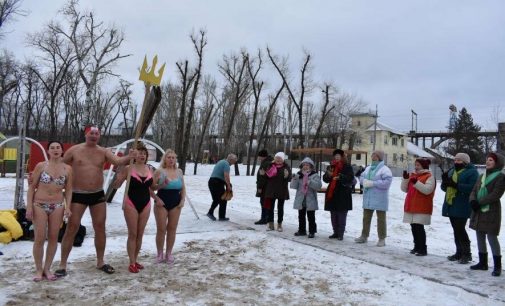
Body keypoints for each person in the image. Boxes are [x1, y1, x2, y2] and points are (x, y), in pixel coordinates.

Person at [55, 126, 134, 277]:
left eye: (97, 133)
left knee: (100, 227)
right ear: (86, 134)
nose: (94, 135)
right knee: (72, 228)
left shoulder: (103, 151)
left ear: (99, 136)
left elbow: (118, 160)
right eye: (91, 133)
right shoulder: (75, 150)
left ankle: (100, 261)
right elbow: (59, 166)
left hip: (97, 194)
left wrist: (130, 156)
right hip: (78, 194)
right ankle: (62, 264)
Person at [26, 141, 72, 281]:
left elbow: (69, 190)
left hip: (57, 206)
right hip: (39, 204)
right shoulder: (41, 166)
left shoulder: (67, 168)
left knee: (53, 238)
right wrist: (29, 207)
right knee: (39, 238)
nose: (55, 150)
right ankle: (39, 269)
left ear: (62, 151)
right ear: (48, 151)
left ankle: (47, 268)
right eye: (52, 148)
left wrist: (68, 207)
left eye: (58, 147)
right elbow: (32, 187)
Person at [114, 143, 153, 273]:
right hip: (131, 203)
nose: (141, 155)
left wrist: (162, 185)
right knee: (133, 233)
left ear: (146, 156)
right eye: (139, 153)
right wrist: (118, 176)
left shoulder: (150, 169)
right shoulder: (128, 168)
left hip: (146, 203)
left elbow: (152, 188)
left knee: (140, 234)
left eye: (144, 153)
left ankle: (135, 260)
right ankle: (131, 262)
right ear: (134, 155)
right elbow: (116, 186)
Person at [468, 152, 505, 276]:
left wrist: (479, 202)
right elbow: (474, 190)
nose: (487, 162)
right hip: (478, 210)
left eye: (490, 160)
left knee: (492, 237)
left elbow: (496, 194)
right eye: (487, 160)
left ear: (497, 163)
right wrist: (473, 200)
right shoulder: (481, 176)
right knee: (479, 235)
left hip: (491, 211)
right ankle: (482, 263)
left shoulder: (500, 177)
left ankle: (497, 266)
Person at [441, 152, 479, 264]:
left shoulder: (472, 172)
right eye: (455, 160)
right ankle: (459, 252)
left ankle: (467, 254)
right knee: (456, 229)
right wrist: (445, 182)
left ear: (465, 162)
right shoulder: (452, 171)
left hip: (463, 204)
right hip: (451, 203)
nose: (456, 162)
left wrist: (456, 185)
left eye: (459, 160)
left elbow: (472, 188)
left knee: (460, 229)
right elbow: (445, 188)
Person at [152, 149, 185, 265]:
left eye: (173, 157)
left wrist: (182, 200)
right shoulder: (159, 171)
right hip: (162, 202)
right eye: (169, 157)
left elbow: (183, 188)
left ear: (175, 159)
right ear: (164, 159)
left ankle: (169, 253)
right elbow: (151, 188)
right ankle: (159, 253)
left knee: (172, 229)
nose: (171, 159)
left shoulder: (179, 172)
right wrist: (160, 188)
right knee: (161, 229)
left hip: (176, 203)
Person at [355, 150, 393, 247]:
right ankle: (364, 236)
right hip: (368, 197)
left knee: (381, 219)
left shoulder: (385, 169)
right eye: (372, 155)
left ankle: (382, 238)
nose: (372, 157)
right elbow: (361, 177)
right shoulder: (368, 168)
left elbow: (387, 183)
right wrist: (364, 182)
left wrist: (373, 183)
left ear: (379, 157)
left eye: (375, 155)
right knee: (366, 218)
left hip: (380, 198)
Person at [401, 158, 436, 256]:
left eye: (418, 165)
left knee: (419, 227)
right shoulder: (413, 175)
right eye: (415, 165)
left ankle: (422, 249)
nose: (416, 167)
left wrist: (416, 182)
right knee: (413, 227)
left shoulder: (429, 176)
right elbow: (404, 189)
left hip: (421, 205)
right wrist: (405, 179)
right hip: (411, 204)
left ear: (423, 166)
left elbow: (427, 190)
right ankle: (416, 246)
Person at [323, 149, 354, 240]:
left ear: (342, 157)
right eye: (335, 156)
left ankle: (340, 233)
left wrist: (340, 177)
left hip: (343, 194)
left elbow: (350, 178)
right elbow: (325, 179)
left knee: (341, 214)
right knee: (333, 214)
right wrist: (328, 175)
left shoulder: (347, 166)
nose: (336, 157)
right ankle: (335, 232)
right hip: (332, 194)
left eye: (338, 156)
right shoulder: (331, 166)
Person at [291, 157, 322, 238]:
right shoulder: (299, 175)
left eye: (307, 165)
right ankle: (302, 230)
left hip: (310, 199)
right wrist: (294, 179)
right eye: (304, 165)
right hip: (300, 199)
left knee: (311, 216)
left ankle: (312, 231)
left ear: (311, 166)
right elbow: (293, 186)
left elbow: (318, 186)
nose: (305, 166)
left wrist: (309, 181)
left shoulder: (314, 175)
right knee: (301, 216)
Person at [264, 152, 291, 232]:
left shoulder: (286, 167)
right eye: (277, 158)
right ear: (274, 159)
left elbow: (289, 179)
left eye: (280, 158)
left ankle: (279, 224)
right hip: (271, 190)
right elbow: (266, 176)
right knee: (270, 208)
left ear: (283, 159)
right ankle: (271, 224)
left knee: (280, 208)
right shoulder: (270, 165)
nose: (278, 159)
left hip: (281, 190)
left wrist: (287, 176)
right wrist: (264, 174)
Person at [207, 154, 237, 221]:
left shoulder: (221, 161)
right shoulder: (226, 164)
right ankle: (216, 215)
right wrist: (228, 186)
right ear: (231, 160)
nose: (233, 163)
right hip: (217, 182)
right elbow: (226, 176)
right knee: (222, 199)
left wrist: (228, 184)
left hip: (212, 181)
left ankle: (218, 215)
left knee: (218, 199)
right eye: (234, 161)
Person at [255, 149, 272, 225]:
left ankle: (264, 218)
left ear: (262, 156)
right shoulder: (270, 162)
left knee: (263, 202)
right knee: (267, 202)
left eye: (259, 156)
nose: (258, 158)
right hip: (268, 186)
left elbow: (262, 177)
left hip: (264, 187)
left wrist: (260, 187)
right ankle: (267, 217)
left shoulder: (265, 164)